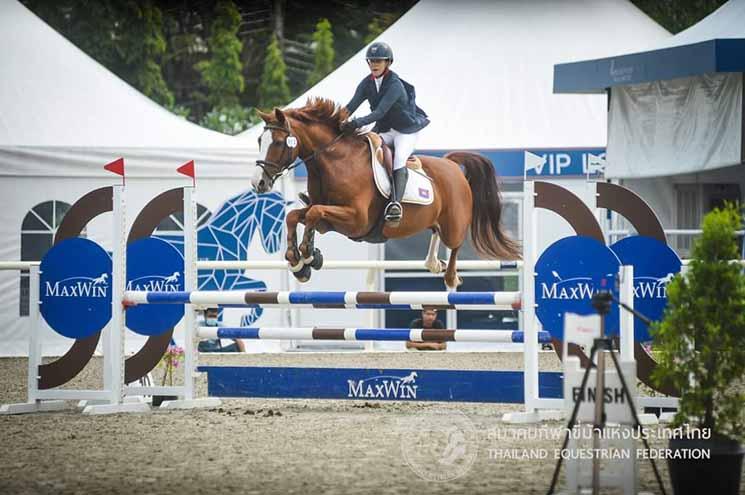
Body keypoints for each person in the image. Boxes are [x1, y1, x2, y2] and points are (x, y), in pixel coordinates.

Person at [339, 41, 430, 225]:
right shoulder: (367, 83)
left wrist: (356, 123)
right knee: (363, 150)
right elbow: (350, 106)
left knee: (398, 159)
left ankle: (395, 204)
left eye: (378, 61)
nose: (374, 64)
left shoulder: (394, 84)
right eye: (371, 61)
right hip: (386, 130)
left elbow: (379, 112)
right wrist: (336, 120)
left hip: (405, 131)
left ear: (388, 62)